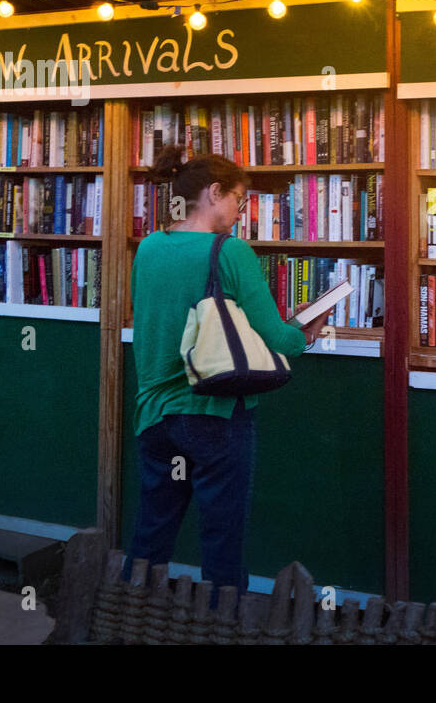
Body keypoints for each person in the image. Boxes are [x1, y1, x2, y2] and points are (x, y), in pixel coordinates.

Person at [123, 143, 327, 604]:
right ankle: (219, 625)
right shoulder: (229, 252)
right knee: (222, 541)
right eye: (238, 198)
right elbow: (277, 339)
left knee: (150, 536)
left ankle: (124, 616)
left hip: (154, 417)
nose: (240, 210)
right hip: (214, 414)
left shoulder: (149, 247)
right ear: (214, 193)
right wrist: (305, 331)